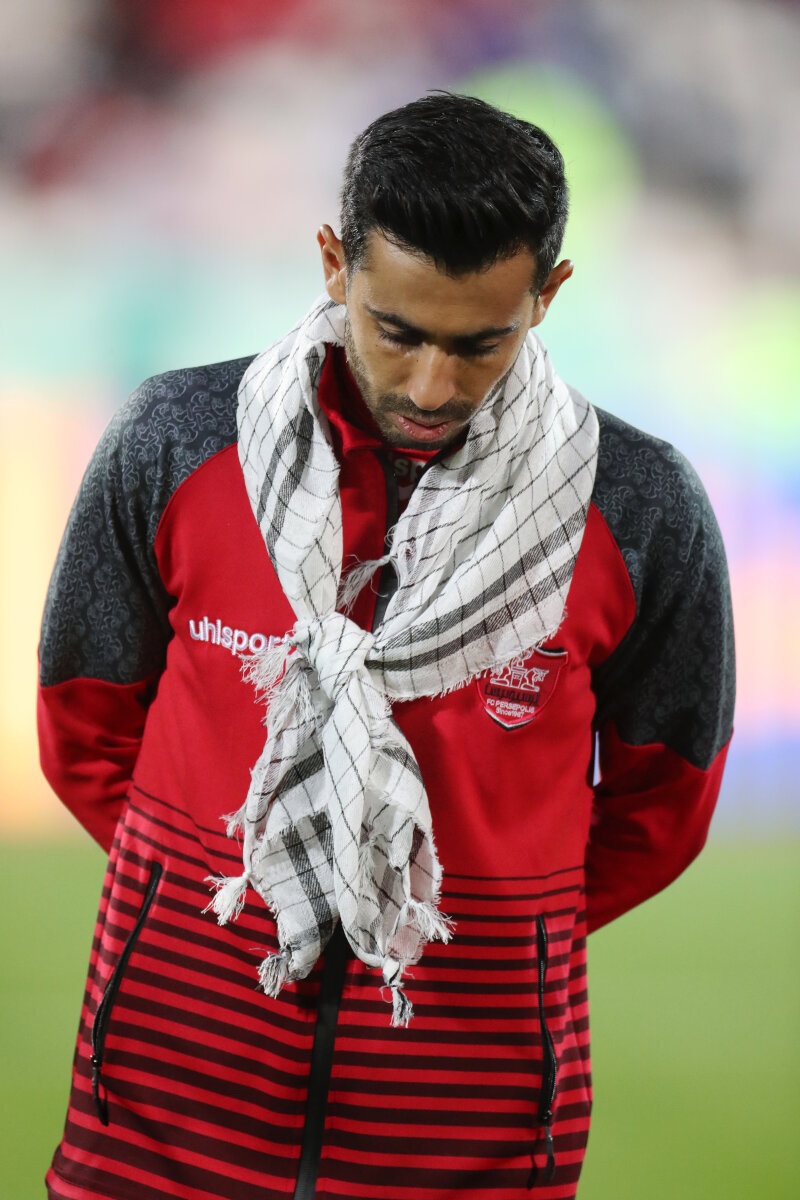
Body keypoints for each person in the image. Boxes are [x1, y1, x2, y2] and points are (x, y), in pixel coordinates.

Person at [38, 92, 734, 1200]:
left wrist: (476, 929)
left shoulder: (641, 507)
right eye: (396, 331)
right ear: (334, 264)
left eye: (480, 344)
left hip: (470, 1137)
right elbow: (85, 721)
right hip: (163, 1109)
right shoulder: (173, 441)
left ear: (547, 295)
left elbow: (665, 801)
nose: (430, 387)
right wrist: (236, 889)